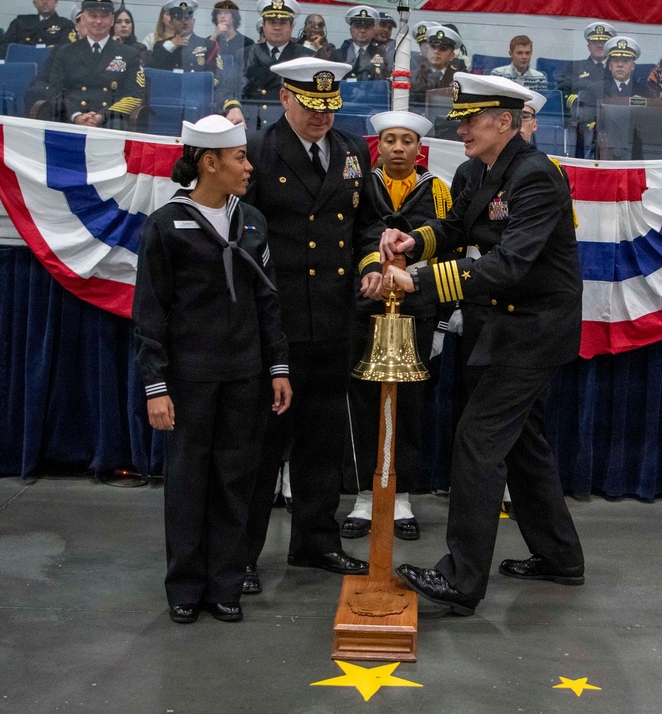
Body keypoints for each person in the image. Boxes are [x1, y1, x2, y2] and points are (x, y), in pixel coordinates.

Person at [378, 72, 585, 616]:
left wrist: (419, 281)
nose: (462, 129)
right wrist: (410, 240)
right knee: (523, 445)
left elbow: (511, 264)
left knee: (478, 443)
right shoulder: (476, 169)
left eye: (471, 120)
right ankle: (560, 557)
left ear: (505, 122)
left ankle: (462, 578)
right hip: (498, 328)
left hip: (533, 331)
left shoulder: (537, 177)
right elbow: (451, 227)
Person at [133, 114, 291, 625]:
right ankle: (185, 584)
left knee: (234, 479)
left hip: (244, 375)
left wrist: (278, 367)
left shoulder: (252, 221)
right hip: (190, 379)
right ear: (209, 162)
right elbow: (150, 314)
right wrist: (156, 387)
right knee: (186, 482)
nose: (249, 167)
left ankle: (226, 582)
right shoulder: (165, 225)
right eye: (240, 158)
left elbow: (268, 302)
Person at [241, 57, 386, 594]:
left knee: (322, 437)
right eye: (309, 106)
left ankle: (315, 540)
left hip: (332, 316)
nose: (320, 117)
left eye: (328, 107)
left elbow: (368, 221)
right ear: (284, 98)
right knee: (262, 443)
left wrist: (371, 262)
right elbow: (240, 234)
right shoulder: (257, 150)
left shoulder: (350, 149)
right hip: (276, 321)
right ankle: (243, 552)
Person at [342, 110, 452, 543]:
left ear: (419, 147)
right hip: (365, 309)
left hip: (417, 311)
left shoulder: (437, 191)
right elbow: (351, 239)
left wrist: (441, 318)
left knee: (409, 403)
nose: (399, 149)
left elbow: (448, 247)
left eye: (408, 140)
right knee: (362, 400)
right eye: (391, 140)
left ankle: (401, 494)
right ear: (379, 146)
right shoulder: (361, 186)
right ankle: (364, 497)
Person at [44, 0, 143, 129]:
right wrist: (76, 116)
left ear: (112, 20)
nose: (98, 21)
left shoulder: (129, 54)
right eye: (93, 16)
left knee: (117, 126)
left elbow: (134, 96)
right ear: (83, 18)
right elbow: (54, 92)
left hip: (110, 120)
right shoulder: (65, 52)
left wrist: (102, 116)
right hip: (71, 118)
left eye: (104, 16)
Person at [148, 0, 242, 122]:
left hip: (198, 105)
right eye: (179, 18)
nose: (184, 21)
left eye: (188, 17)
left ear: (193, 20)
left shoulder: (208, 45)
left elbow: (218, 79)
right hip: (167, 105)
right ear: (170, 21)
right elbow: (157, 71)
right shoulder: (162, 46)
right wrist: (172, 45)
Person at [240, 0, 312, 105]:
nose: (277, 27)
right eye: (272, 22)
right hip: (254, 116)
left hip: (289, 118)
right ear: (263, 26)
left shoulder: (307, 57)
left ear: (292, 27)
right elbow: (231, 89)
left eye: (283, 22)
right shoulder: (245, 54)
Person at [559, 21, 615, 109]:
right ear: (589, 46)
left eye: (604, 41)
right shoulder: (575, 67)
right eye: (595, 42)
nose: (600, 45)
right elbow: (562, 91)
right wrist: (579, 104)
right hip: (581, 114)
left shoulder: (619, 69)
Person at [330, 5, 390, 82]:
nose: (362, 30)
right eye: (358, 26)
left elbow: (386, 81)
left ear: (372, 31)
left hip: (373, 93)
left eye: (367, 27)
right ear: (351, 30)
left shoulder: (382, 54)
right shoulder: (337, 55)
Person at [411, 24, 462, 107]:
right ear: (427, 51)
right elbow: (411, 106)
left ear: (452, 56)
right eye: (433, 47)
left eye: (443, 48)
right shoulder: (414, 76)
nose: (436, 52)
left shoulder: (459, 79)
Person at [4, 0, 73, 52]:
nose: (44, 2)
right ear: (34, 3)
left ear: (56, 2)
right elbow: (5, 46)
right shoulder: (20, 22)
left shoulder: (65, 25)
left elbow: (67, 51)